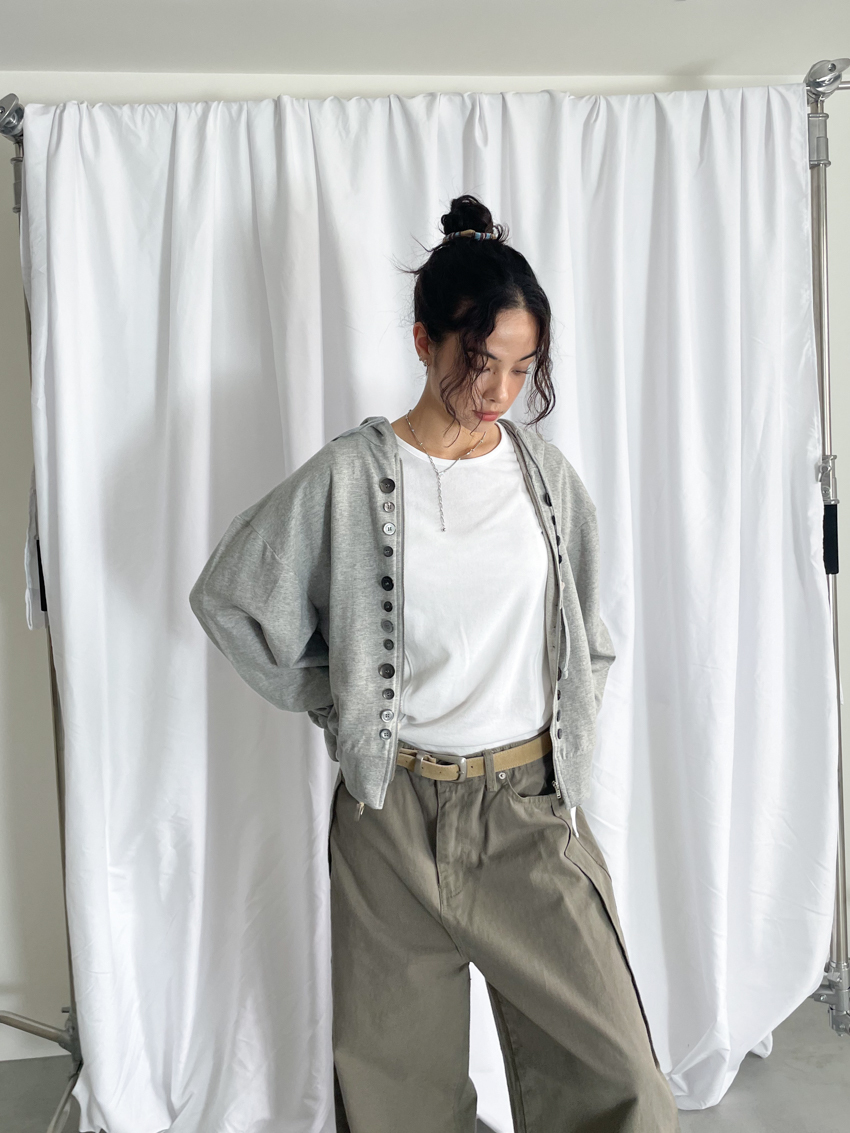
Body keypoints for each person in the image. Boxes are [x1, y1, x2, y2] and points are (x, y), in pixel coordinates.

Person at [189, 195, 681, 1132]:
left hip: (526, 811)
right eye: (479, 360)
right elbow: (231, 597)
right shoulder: (349, 475)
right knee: (396, 1101)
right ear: (425, 341)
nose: (499, 389)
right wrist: (338, 702)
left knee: (621, 1081)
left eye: (521, 367)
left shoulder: (544, 478)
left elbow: (591, 634)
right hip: (389, 824)